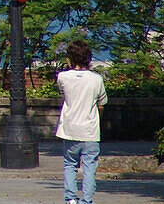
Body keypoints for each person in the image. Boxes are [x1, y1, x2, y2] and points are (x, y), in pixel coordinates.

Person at [56, 40, 108, 204]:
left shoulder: (63, 77)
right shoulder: (96, 79)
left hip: (70, 129)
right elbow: (102, 103)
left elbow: (64, 96)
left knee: (70, 164)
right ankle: (87, 199)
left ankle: (70, 198)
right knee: (89, 167)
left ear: (69, 59)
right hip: (90, 130)